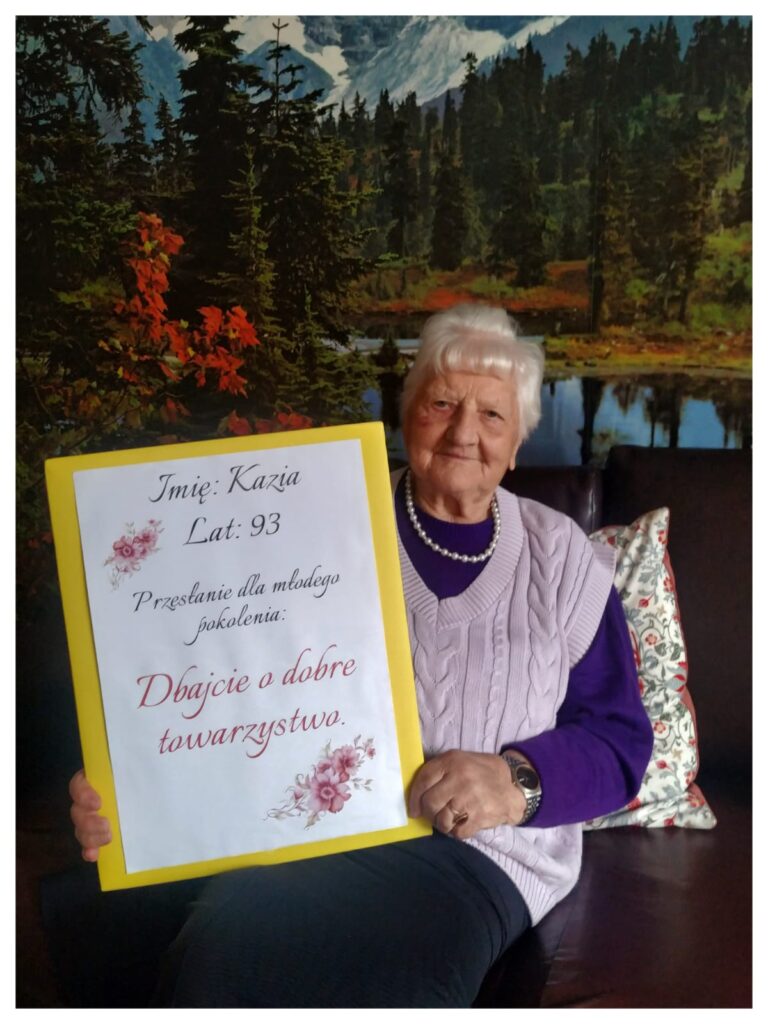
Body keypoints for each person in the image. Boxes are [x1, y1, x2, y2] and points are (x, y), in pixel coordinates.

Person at [69, 303, 654, 1007]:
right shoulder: (315, 518)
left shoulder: (561, 557)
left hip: (477, 854)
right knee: (133, 921)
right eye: (442, 403)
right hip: (311, 830)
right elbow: (222, 667)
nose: (464, 432)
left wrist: (515, 780)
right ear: (407, 414)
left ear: (517, 443)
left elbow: (618, 741)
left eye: (493, 415)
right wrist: (133, 785)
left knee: (249, 944)